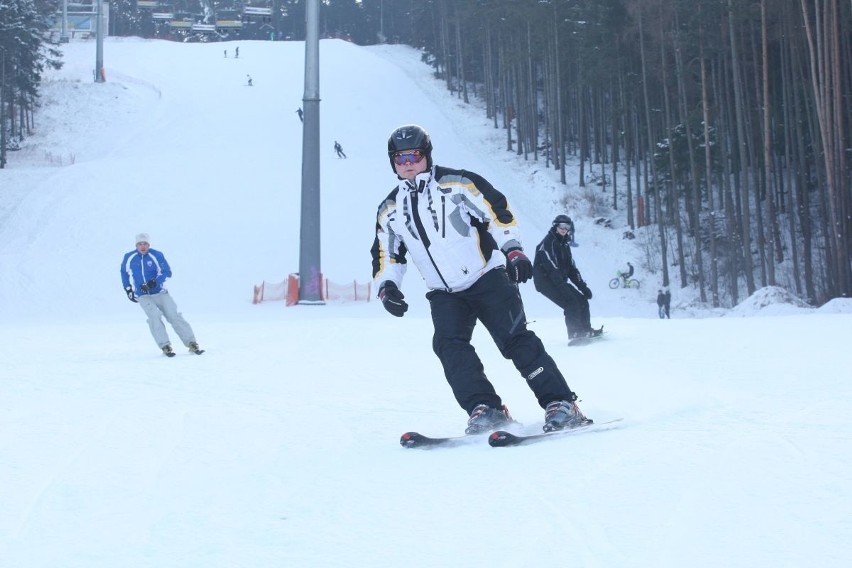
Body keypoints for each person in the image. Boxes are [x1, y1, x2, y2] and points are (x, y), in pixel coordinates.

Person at [371, 124, 590, 434]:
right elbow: (387, 254)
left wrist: (513, 250)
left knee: (515, 340)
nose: (407, 163)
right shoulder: (390, 209)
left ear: (426, 156)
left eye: (414, 155)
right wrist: (387, 285)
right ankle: (485, 408)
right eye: (400, 157)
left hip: (487, 278)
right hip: (444, 292)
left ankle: (561, 403)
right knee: (449, 346)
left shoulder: (459, 184)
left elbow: (498, 213)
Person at [120, 233, 203, 357]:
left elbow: (167, 272)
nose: (143, 246)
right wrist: (128, 289)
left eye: (145, 244)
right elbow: (124, 272)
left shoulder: (156, 255)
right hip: (143, 295)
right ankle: (165, 345)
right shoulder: (129, 257)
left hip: (160, 293)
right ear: (136, 245)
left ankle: (192, 343)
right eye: (140, 244)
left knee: (173, 316)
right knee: (154, 316)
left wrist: (155, 282)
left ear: (149, 244)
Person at [532, 215, 602, 340]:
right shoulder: (548, 243)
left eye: (567, 226)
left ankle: (585, 330)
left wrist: (583, 287)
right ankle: (575, 333)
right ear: (555, 226)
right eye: (561, 226)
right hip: (545, 282)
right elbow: (551, 268)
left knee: (582, 300)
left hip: (559, 281)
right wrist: (562, 286)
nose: (564, 229)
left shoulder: (564, 244)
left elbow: (571, 269)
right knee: (571, 303)